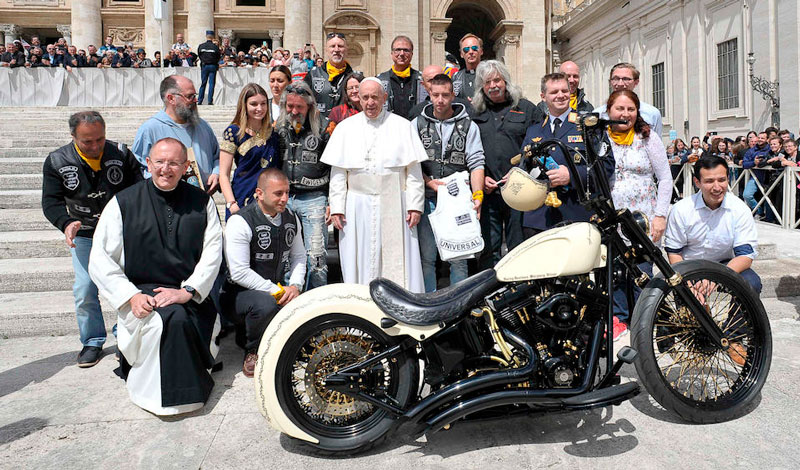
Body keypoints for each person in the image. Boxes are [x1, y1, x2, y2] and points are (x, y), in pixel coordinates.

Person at [89, 137, 223, 416]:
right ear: (148, 163)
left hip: (187, 292)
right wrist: (131, 296)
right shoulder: (123, 203)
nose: (166, 168)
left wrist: (188, 291)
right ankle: (162, 396)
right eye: (159, 162)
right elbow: (100, 258)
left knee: (179, 315)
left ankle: (183, 391)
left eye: (174, 162)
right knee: (170, 320)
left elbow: (213, 253)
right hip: (142, 293)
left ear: (186, 166)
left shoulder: (202, 202)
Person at [41, 111, 143, 367]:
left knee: (127, 284)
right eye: (88, 142)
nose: (96, 146)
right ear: (73, 136)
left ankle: (125, 337)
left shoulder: (120, 153)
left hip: (121, 232)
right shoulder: (56, 161)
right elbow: (50, 202)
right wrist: (65, 223)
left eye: (100, 139)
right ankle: (92, 340)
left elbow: (139, 189)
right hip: (84, 233)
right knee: (85, 288)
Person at [321, 77, 426, 292]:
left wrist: (415, 205)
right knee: (359, 260)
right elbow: (339, 174)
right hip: (356, 205)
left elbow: (414, 172)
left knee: (398, 265)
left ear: (384, 98)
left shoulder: (402, 126)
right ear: (358, 98)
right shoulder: (345, 128)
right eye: (365, 97)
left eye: (375, 97)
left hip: (395, 203)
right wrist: (338, 208)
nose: (370, 102)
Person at [221, 169, 305, 377]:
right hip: (236, 295)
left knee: (304, 301)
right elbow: (239, 272)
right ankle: (253, 349)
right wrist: (276, 292)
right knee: (265, 304)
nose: (284, 198)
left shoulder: (291, 218)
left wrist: (295, 286)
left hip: (275, 288)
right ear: (260, 193)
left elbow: (299, 257)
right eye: (278, 193)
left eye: (286, 192)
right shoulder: (240, 222)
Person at [605, 90, 672, 341]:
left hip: (643, 218)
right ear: (609, 111)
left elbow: (665, 178)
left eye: (630, 109)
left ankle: (648, 324)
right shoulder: (601, 138)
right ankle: (619, 323)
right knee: (615, 272)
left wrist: (660, 215)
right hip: (613, 218)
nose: (625, 114)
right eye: (619, 109)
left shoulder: (647, 137)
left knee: (642, 271)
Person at [411, 73, 485, 292]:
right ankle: (429, 303)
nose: (440, 100)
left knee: (459, 258)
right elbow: (412, 162)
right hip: (428, 197)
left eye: (445, 95)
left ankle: (458, 305)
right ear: (429, 95)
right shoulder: (417, 124)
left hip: (458, 199)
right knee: (427, 257)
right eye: (435, 95)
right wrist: (427, 182)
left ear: (453, 95)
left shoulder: (469, 125)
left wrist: (478, 195)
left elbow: (476, 162)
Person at [520, 73, 616, 239]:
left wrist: (571, 175)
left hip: (577, 214)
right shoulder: (533, 131)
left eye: (564, 90)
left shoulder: (588, 126)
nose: (560, 95)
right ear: (543, 96)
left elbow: (606, 166)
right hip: (540, 218)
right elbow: (524, 166)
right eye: (554, 92)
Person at [471, 60, 543, 269]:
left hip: (519, 191)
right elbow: (469, 153)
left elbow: (538, 146)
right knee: (488, 248)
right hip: (488, 191)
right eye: (487, 82)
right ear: (481, 87)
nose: (493, 86)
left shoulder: (526, 108)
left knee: (519, 246)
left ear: (505, 81)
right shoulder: (474, 112)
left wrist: (521, 172)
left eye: (497, 80)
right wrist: (479, 178)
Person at [664, 155, 760, 293]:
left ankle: (740, 315)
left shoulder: (740, 209)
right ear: (697, 182)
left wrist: (717, 278)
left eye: (722, 180)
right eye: (709, 181)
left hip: (725, 266)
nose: (717, 187)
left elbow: (745, 256)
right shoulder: (681, 209)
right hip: (689, 267)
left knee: (751, 283)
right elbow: (674, 252)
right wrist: (688, 286)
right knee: (682, 292)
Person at [276, 82, 332, 290]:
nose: (293, 111)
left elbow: (334, 168)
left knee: (317, 257)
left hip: (314, 197)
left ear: (309, 106)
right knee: (287, 257)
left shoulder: (326, 127)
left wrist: (331, 201)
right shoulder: (278, 127)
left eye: (299, 107)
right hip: (284, 199)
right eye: (290, 106)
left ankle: (319, 306)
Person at [132, 75, 220, 194]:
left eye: (195, 95)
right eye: (189, 96)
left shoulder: (203, 126)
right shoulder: (150, 129)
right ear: (171, 98)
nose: (195, 100)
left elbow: (217, 157)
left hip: (204, 199)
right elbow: (138, 169)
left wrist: (216, 173)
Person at [219, 83, 280, 220]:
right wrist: (231, 203)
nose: (260, 108)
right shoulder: (234, 132)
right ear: (244, 105)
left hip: (269, 200)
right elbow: (223, 174)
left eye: (263, 103)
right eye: (254, 104)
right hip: (241, 197)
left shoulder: (273, 133)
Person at [594, 63, 663, 137]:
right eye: (616, 79)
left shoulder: (652, 114)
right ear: (610, 82)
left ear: (636, 82)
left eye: (626, 79)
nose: (620, 83)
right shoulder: (598, 114)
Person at [304, 32, 353, 117]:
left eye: (340, 46)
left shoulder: (354, 78)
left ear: (346, 50)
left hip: (345, 127)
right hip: (318, 127)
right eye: (332, 46)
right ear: (326, 50)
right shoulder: (313, 74)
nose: (336, 50)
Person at [376, 35, 423, 120]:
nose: (401, 54)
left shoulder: (422, 80)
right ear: (392, 53)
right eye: (397, 50)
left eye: (406, 50)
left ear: (412, 54)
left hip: (415, 128)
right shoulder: (380, 80)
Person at [408, 65, 473, 121]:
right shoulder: (416, 112)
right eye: (431, 80)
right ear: (423, 84)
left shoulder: (465, 108)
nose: (435, 83)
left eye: (439, 79)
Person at [742, 131, 770, 219]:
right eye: (759, 137)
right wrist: (753, 163)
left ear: (767, 140)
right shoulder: (751, 150)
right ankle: (759, 211)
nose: (760, 140)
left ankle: (770, 219)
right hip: (755, 177)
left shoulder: (770, 149)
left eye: (763, 138)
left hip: (768, 177)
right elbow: (744, 164)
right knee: (747, 195)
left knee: (769, 198)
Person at [453, 33, 483, 100]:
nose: (471, 52)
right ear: (461, 54)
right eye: (466, 49)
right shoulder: (456, 77)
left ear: (481, 51)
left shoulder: (490, 74)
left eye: (474, 48)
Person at [197, 31, 221, 106]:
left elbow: (199, 55)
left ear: (206, 36)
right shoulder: (215, 47)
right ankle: (210, 101)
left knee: (203, 83)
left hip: (204, 65)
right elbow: (218, 57)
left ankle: (200, 100)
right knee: (211, 84)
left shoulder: (201, 46)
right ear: (213, 37)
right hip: (212, 65)